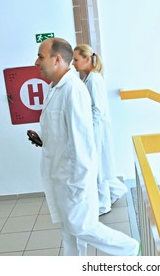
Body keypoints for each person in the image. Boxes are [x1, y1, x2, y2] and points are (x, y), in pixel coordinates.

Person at [27, 37, 139, 256]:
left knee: (83, 227)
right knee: (70, 231)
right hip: (61, 175)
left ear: (57, 59)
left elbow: (83, 142)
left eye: (41, 56)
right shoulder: (55, 88)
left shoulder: (73, 90)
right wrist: (42, 138)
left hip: (73, 180)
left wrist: (79, 185)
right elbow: (61, 131)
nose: (36, 62)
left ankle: (131, 249)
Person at [72, 44, 128, 216]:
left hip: (96, 130)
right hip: (95, 128)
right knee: (100, 166)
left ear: (87, 59)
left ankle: (103, 205)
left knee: (98, 168)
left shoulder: (94, 80)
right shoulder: (88, 79)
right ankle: (117, 191)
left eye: (76, 59)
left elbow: (97, 110)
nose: (73, 63)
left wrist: (87, 131)